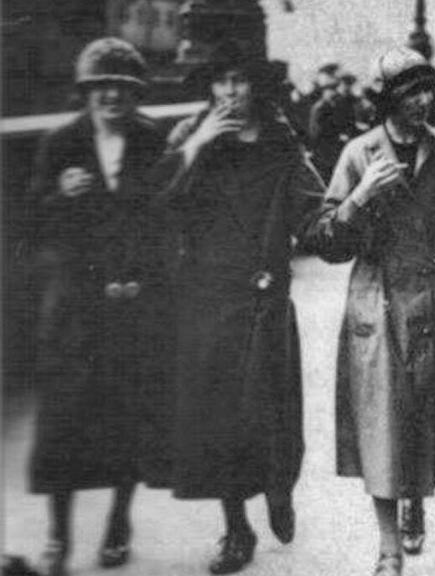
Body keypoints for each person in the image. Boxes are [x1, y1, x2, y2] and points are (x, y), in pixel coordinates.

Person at [150, 40, 323, 574]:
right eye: (219, 82)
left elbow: (315, 210)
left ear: (257, 86)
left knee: (272, 414)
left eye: (239, 80)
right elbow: (154, 204)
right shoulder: (189, 137)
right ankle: (235, 529)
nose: (229, 92)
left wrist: (351, 208)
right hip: (207, 298)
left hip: (265, 299)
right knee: (221, 419)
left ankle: (277, 490)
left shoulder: (280, 141)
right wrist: (197, 145)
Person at [300, 47, 435, 576]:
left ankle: (417, 501)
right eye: (412, 92)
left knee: (423, 421)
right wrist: (359, 198)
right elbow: (326, 241)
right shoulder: (358, 154)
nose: (425, 101)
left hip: (432, 300)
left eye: (429, 90)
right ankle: (389, 547)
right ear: (388, 99)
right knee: (381, 429)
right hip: (377, 301)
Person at [27, 37, 170, 576]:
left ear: (136, 94)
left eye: (124, 88)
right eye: (101, 87)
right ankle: (58, 535)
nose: (112, 96)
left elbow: (167, 219)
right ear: (86, 92)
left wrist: (145, 281)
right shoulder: (59, 143)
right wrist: (59, 194)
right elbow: (30, 224)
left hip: (134, 306)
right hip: (75, 312)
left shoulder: (151, 140)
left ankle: (118, 524)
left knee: (127, 419)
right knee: (62, 425)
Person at [308, 71, 361, 180]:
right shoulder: (320, 108)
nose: (332, 93)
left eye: (334, 89)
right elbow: (316, 132)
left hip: (334, 147)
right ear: (324, 91)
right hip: (324, 150)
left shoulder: (332, 105)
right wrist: (338, 136)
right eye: (330, 90)